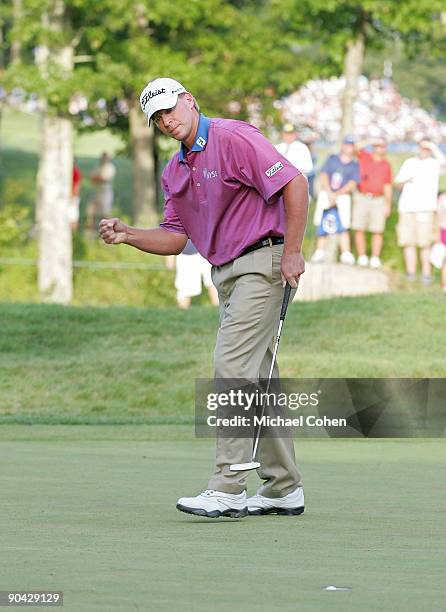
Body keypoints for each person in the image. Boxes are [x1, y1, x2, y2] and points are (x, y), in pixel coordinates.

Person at [99, 77, 309, 519]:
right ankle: (283, 487)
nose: (166, 120)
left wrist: (292, 251)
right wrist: (129, 235)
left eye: (170, 109)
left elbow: (295, 185)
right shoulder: (176, 171)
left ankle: (228, 485)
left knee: (231, 365)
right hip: (227, 275)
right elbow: (176, 238)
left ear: (190, 100)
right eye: (157, 117)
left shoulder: (233, 138)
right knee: (260, 377)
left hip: (262, 262)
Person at [394, 140, 446, 283]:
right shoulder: (409, 162)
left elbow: (444, 163)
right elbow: (397, 183)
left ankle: (426, 274)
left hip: (426, 208)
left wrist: (433, 147)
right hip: (406, 208)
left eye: (427, 148)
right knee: (408, 241)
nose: (424, 150)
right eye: (422, 147)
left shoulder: (433, 164)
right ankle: (410, 273)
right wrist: (406, 181)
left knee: (425, 243)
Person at [311, 136, 360, 264]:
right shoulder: (332, 159)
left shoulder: (354, 164)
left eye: (351, 146)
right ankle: (319, 251)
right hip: (327, 193)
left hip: (342, 196)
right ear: (342, 146)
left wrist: (337, 194)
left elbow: (352, 183)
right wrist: (329, 192)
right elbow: (324, 174)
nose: (348, 148)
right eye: (347, 145)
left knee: (343, 224)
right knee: (323, 222)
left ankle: (346, 253)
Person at [352, 138, 392, 268]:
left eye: (382, 147)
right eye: (377, 146)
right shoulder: (365, 156)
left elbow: (387, 185)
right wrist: (372, 140)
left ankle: (375, 257)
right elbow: (355, 147)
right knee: (359, 228)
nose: (380, 149)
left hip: (378, 199)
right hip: (362, 196)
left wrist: (388, 203)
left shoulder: (386, 165)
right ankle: (362, 256)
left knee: (377, 230)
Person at [174, 239, 219, 309]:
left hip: (206, 248)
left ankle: (217, 311)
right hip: (193, 250)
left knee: (214, 283)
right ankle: (182, 314)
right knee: (185, 288)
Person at [87, 152, 116, 228]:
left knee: (105, 212)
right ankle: (93, 230)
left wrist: (98, 178)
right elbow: (92, 178)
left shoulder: (110, 167)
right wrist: (98, 178)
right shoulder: (97, 167)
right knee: (92, 212)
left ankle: (108, 229)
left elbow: (105, 179)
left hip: (105, 192)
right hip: (96, 191)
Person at [69, 160, 82, 231]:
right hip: (70, 196)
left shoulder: (75, 172)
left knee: (72, 217)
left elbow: (76, 187)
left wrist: (73, 197)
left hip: (72, 197)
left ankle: (73, 233)